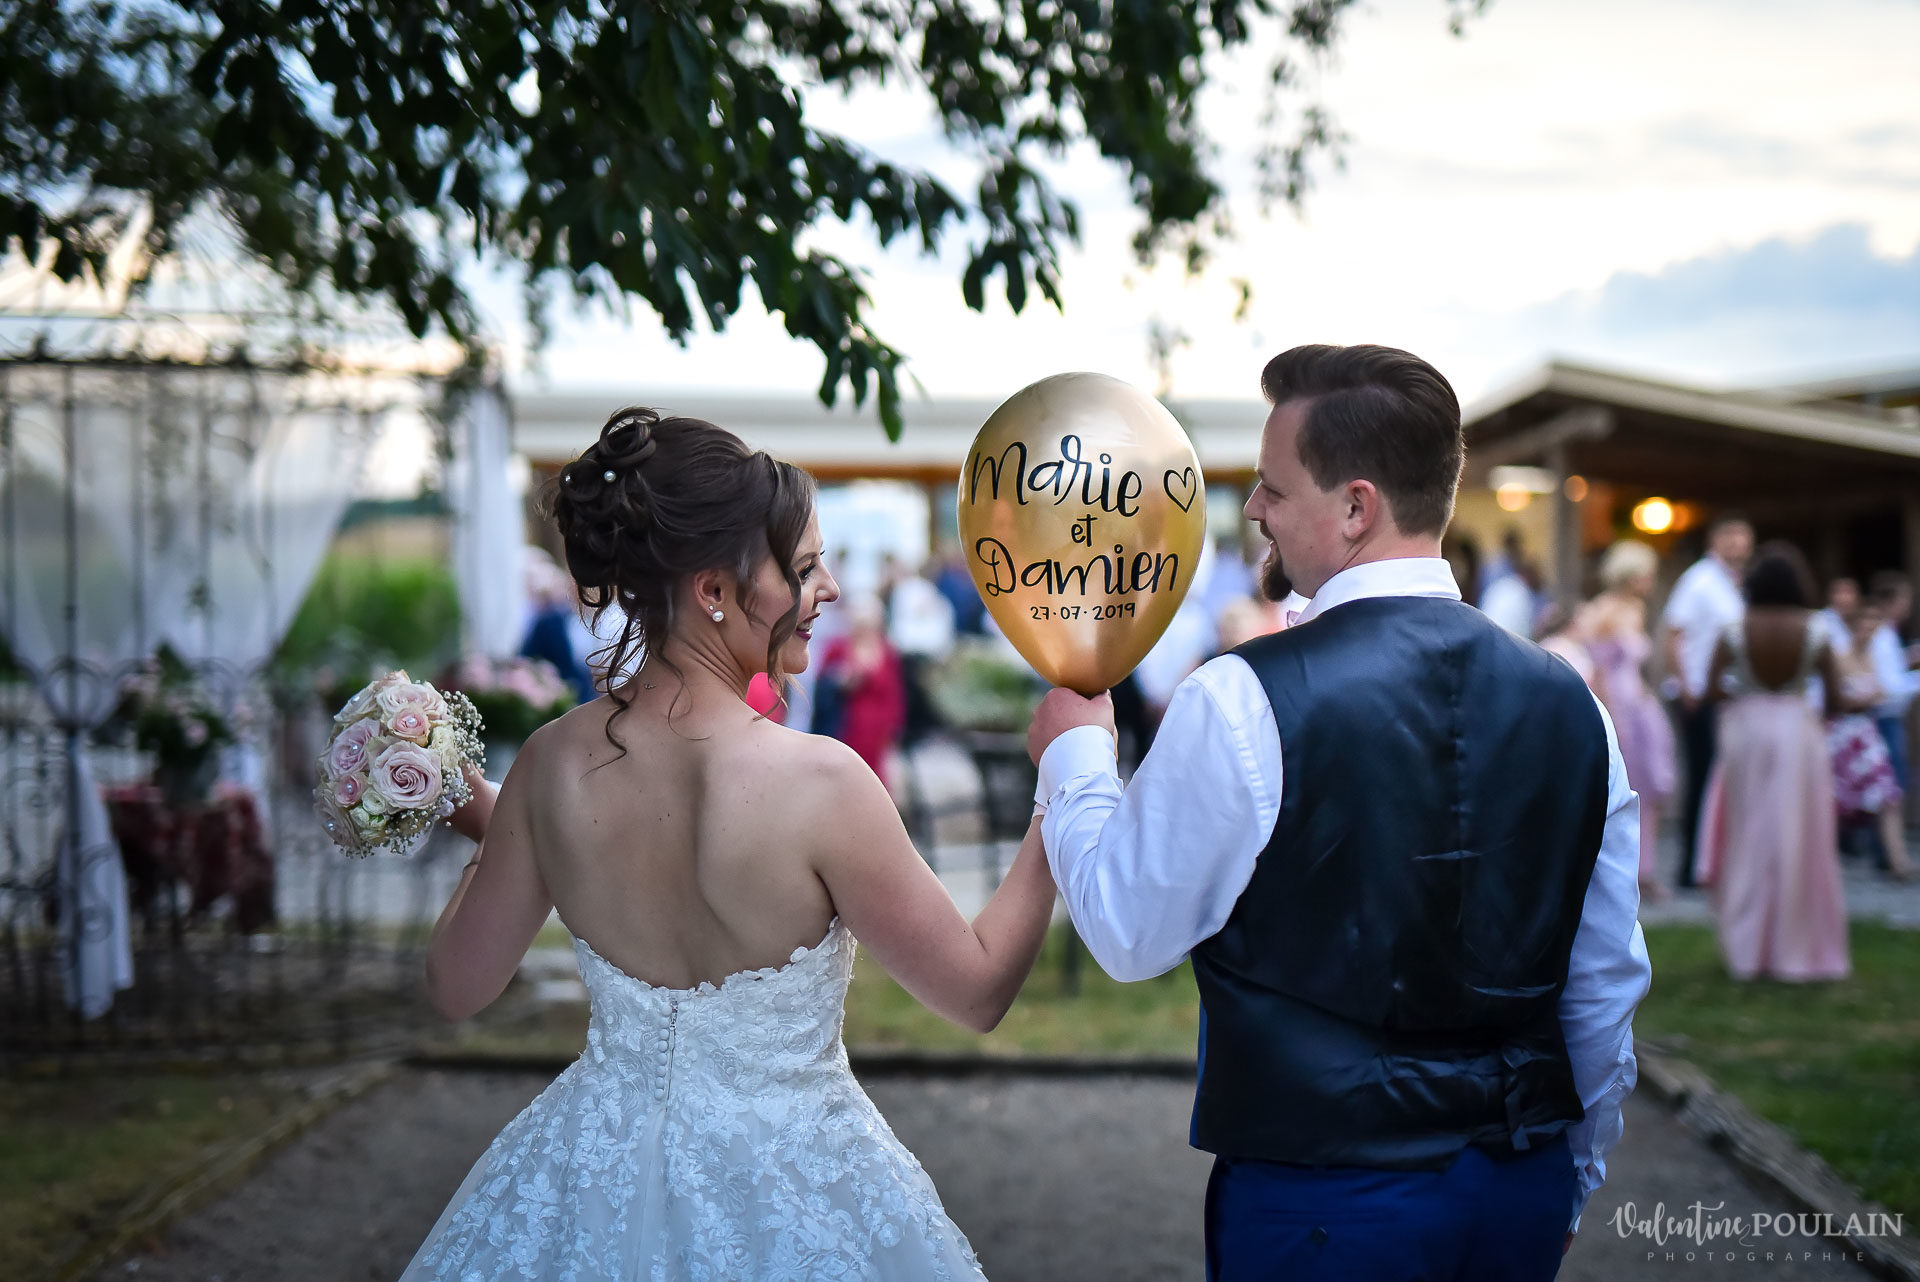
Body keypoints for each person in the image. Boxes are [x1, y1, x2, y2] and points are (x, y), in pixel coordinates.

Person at [1028, 345, 1649, 1281]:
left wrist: (1076, 755)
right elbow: (1603, 983)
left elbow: (1125, 928)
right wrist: (1575, 1173)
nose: (1254, 509)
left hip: (1322, 1200)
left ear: (1357, 507)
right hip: (1518, 1182)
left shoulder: (1242, 697)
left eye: (1274, 488)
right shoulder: (1576, 705)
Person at [401, 408, 1058, 1280]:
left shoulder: (549, 768)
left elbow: (456, 986)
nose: (830, 589)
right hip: (800, 1185)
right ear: (713, 588)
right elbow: (976, 991)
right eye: (805, 567)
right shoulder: (823, 786)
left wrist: (489, 825)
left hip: (590, 1182)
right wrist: (1060, 798)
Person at [1694, 543, 1851, 981]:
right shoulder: (1816, 630)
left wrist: (1746, 692)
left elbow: (1710, 690)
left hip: (1745, 732)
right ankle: (1798, 947)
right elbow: (1836, 698)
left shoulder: (1734, 630)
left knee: (1748, 835)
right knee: (1801, 836)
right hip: (1798, 734)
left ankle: (1747, 950)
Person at [1661, 513, 1755, 888]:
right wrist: (1687, 687)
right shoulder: (1699, 580)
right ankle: (1689, 867)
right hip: (1699, 696)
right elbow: (1674, 633)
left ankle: (1714, 862)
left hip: (1727, 695)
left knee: (1720, 783)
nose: (1737, 543)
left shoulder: (1735, 585)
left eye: (1742, 536)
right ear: (1714, 540)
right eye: (1729, 535)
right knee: (1701, 780)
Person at [1587, 540, 1678, 903]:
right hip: (1620, 706)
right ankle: (1624, 871)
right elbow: (1599, 669)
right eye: (1645, 573)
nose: (1649, 580)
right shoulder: (1604, 611)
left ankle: (1644, 869)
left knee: (1647, 789)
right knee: (1625, 785)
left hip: (1639, 705)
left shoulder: (1636, 609)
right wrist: (1613, 715)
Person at [1829, 603, 1918, 880]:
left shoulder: (1873, 657)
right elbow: (1832, 699)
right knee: (1837, 800)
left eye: (1872, 629)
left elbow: (1884, 692)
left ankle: (1898, 860)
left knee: (1887, 795)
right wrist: (1863, 698)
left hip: (1866, 734)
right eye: (1863, 628)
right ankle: (1826, 862)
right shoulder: (1839, 657)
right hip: (1843, 735)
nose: (1867, 633)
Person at [819, 595, 909, 789]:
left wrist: (894, 731)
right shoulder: (838, 648)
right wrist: (841, 681)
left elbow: (895, 695)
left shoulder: (888, 652)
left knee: (876, 784)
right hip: (847, 728)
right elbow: (822, 684)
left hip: (878, 734)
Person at [1866, 570, 1920, 792]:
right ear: (1890, 602)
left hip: (1889, 719)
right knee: (1892, 789)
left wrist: (1906, 659)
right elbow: (1890, 688)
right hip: (1885, 720)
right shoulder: (1882, 635)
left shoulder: (1887, 633)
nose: (1907, 606)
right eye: (1904, 599)